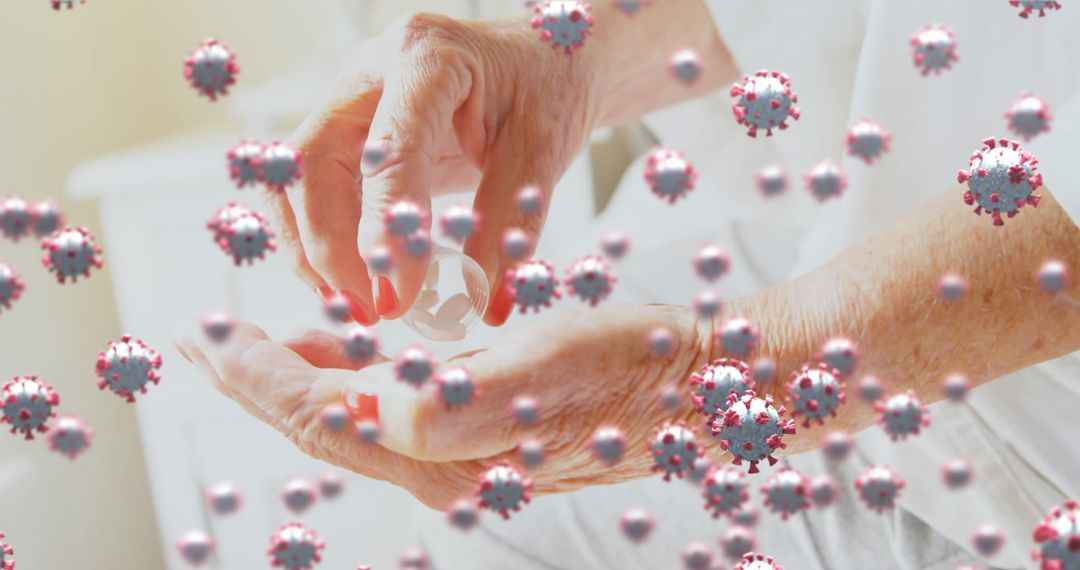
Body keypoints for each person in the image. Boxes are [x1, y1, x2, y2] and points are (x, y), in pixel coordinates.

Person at [175, 1, 1080, 568]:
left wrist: (705, 382)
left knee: (504, 509)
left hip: (1031, 441)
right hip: (877, 248)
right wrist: (570, 53)